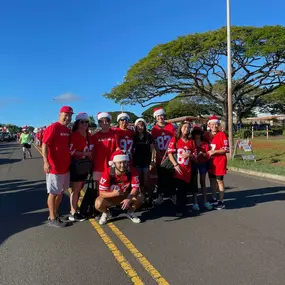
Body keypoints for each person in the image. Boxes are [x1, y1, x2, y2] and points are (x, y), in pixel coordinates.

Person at [42, 106, 74, 228]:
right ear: (60, 114)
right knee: (53, 193)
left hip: (65, 167)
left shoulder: (67, 130)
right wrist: (46, 162)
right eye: (65, 114)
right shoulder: (53, 127)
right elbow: (44, 144)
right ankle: (52, 217)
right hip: (54, 168)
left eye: (70, 115)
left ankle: (55, 213)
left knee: (61, 192)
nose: (68, 117)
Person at [95, 150, 144, 225]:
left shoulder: (132, 170)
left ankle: (130, 212)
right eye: (120, 162)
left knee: (140, 197)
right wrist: (113, 194)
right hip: (111, 197)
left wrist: (129, 198)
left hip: (125, 196)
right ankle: (106, 213)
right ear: (114, 163)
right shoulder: (108, 172)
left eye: (124, 162)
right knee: (98, 203)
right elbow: (101, 193)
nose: (122, 165)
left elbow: (135, 187)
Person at [167, 120, 196, 216]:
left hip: (188, 169)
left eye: (188, 128)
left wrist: (190, 155)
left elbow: (195, 155)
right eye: (184, 127)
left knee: (185, 190)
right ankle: (178, 209)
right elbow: (170, 153)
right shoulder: (175, 139)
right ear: (180, 128)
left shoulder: (191, 141)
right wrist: (175, 165)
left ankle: (183, 208)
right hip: (178, 168)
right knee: (179, 189)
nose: (186, 129)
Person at [69, 112, 93, 222]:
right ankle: (73, 211)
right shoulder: (74, 135)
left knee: (79, 188)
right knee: (76, 189)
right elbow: (71, 151)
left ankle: (76, 208)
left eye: (86, 122)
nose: (84, 124)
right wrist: (84, 154)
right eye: (82, 122)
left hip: (85, 165)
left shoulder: (89, 135)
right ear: (77, 123)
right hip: (77, 165)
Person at [151, 107, 176, 204]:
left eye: (161, 115)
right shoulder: (154, 129)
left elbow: (175, 139)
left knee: (171, 176)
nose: (160, 117)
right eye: (158, 116)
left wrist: (171, 151)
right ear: (156, 117)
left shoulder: (170, 126)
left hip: (170, 155)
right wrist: (159, 154)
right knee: (160, 177)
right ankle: (160, 196)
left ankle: (173, 195)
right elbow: (154, 144)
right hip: (160, 156)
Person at [205, 115, 229, 210]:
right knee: (212, 181)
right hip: (210, 162)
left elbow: (226, 149)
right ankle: (214, 198)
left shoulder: (222, 134)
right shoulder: (206, 135)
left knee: (219, 181)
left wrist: (214, 151)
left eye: (216, 124)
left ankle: (221, 201)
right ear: (209, 125)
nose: (214, 126)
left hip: (219, 161)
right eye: (212, 124)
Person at [133, 118, 156, 207]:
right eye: (138, 125)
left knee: (147, 181)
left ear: (144, 126)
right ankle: (142, 198)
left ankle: (149, 198)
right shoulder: (134, 136)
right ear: (136, 126)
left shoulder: (148, 136)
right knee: (140, 182)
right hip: (137, 162)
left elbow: (153, 149)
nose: (140, 127)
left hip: (146, 162)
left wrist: (152, 161)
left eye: (142, 125)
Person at [92, 112, 117, 186]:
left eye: (107, 120)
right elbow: (93, 152)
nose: (105, 123)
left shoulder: (115, 135)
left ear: (110, 122)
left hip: (111, 166)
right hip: (98, 166)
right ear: (99, 123)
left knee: (111, 187)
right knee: (99, 189)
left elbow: (117, 149)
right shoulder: (95, 136)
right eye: (102, 121)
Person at [190, 126, 213, 210]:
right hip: (193, 163)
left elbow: (208, 155)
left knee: (203, 182)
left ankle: (205, 201)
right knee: (194, 183)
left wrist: (202, 153)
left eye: (199, 133)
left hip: (202, 163)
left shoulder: (205, 143)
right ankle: (195, 202)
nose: (197, 135)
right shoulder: (191, 142)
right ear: (193, 134)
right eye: (196, 133)